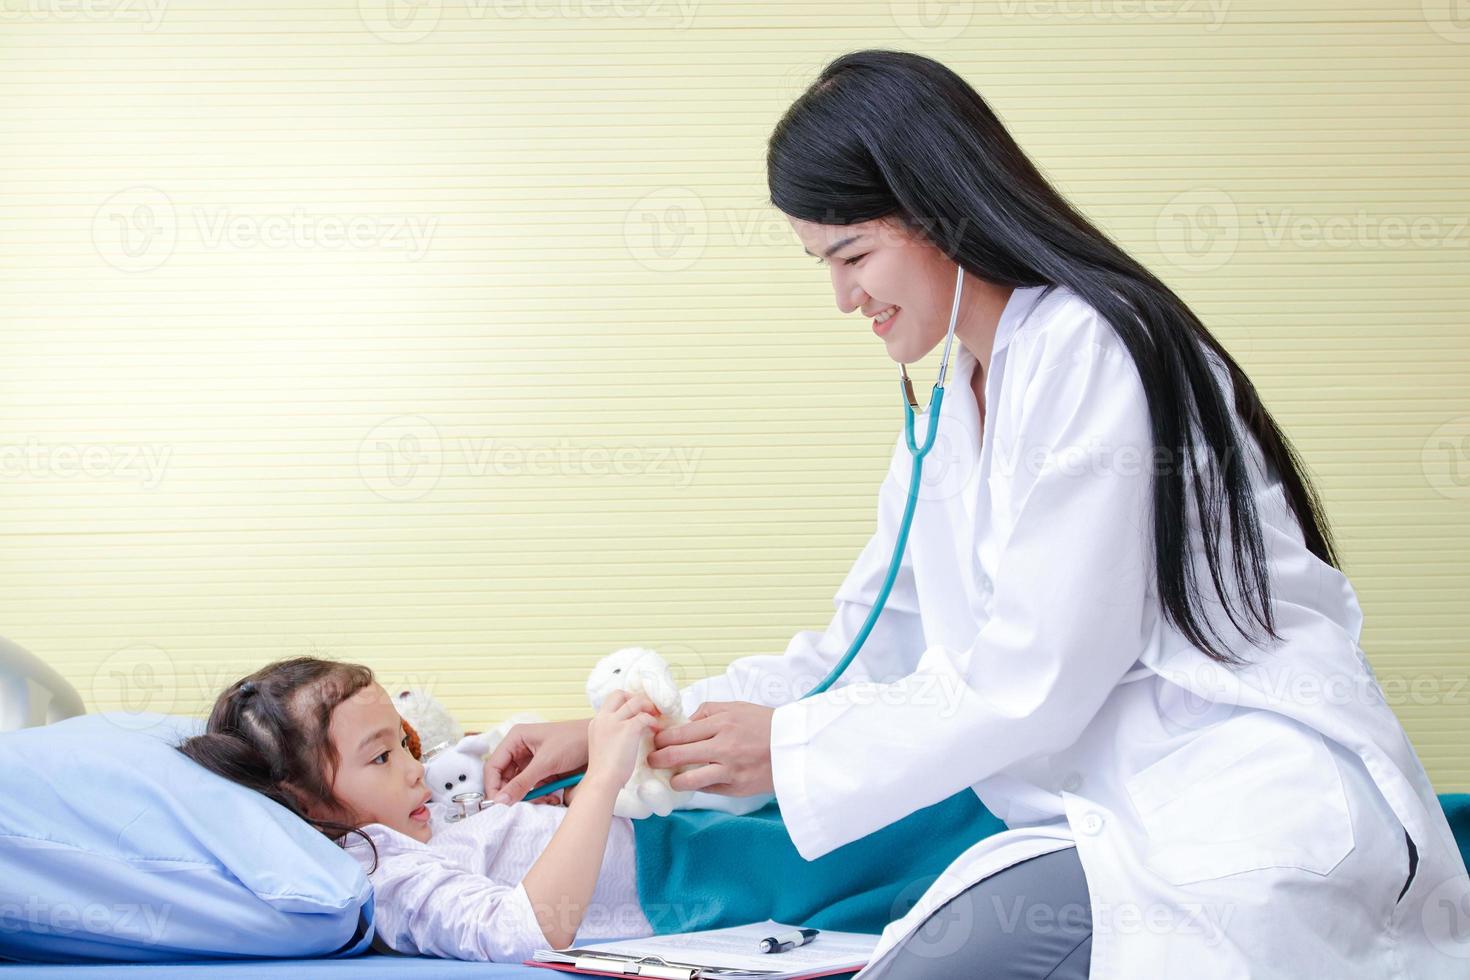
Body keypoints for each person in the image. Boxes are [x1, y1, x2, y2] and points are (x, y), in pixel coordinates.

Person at [483, 49, 1470, 978]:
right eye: (821, 264)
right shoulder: (956, 402)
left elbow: (1037, 674)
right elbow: (862, 644)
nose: (842, 298)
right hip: (1114, 821)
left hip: (1238, 814)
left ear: (939, 210)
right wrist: (640, 730)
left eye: (853, 254)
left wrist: (786, 748)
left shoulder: (1098, 351)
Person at [178, 656, 663, 962]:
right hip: (676, 884)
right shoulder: (378, 874)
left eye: (406, 743)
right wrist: (602, 779)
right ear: (303, 800)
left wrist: (563, 797)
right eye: (382, 757)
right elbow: (521, 932)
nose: (415, 770)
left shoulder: (409, 821)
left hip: (674, 834)